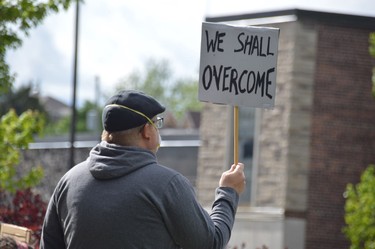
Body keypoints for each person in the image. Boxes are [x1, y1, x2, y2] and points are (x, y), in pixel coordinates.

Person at [40, 90, 246, 249]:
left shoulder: (68, 181)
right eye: (157, 123)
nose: (158, 129)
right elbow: (210, 243)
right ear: (147, 131)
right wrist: (228, 192)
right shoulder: (167, 185)